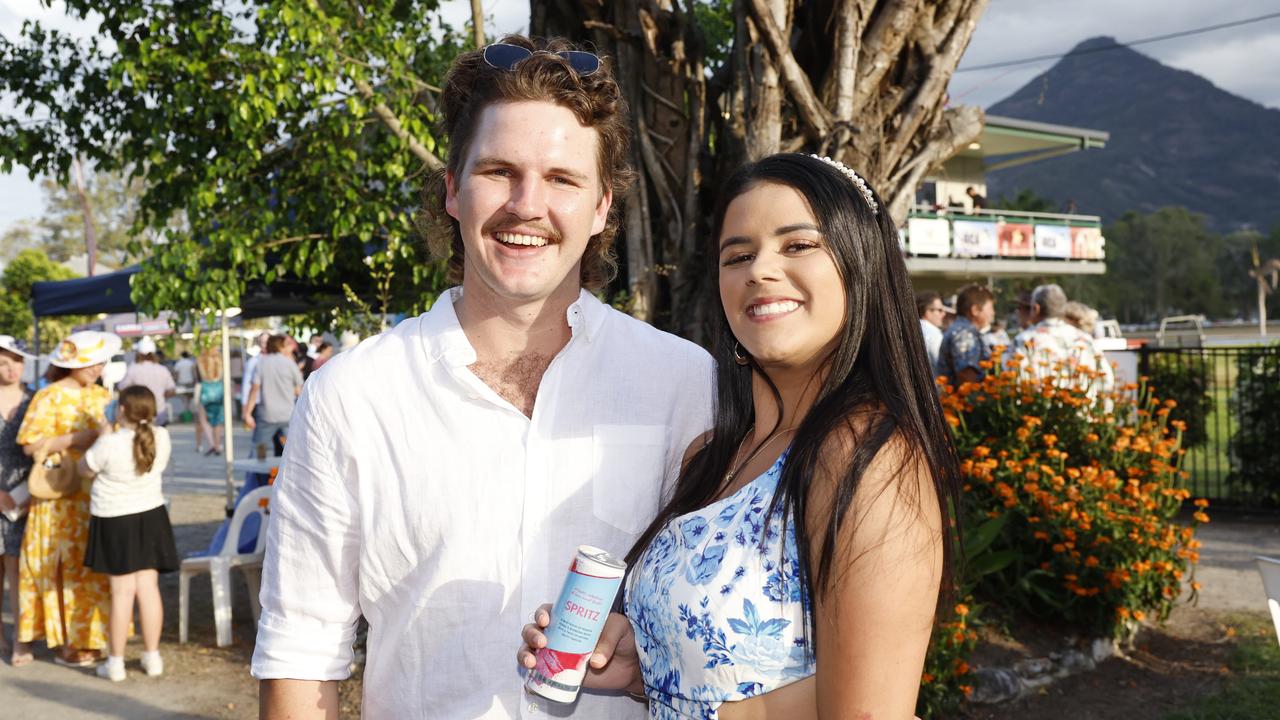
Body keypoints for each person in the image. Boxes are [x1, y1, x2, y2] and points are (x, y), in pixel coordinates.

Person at [252, 35, 713, 719]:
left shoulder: (684, 384)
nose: (527, 205)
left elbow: (722, 629)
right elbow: (301, 648)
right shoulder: (352, 396)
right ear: (453, 192)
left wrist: (649, 663)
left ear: (601, 209)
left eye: (562, 179)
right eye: (499, 171)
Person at [519, 153, 960, 718]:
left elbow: (869, 712)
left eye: (798, 245)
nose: (760, 270)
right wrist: (646, 667)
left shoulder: (864, 457)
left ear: (861, 264)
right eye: (739, 255)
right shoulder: (713, 454)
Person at [15, 330, 119, 667]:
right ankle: (66, 641)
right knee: (60, 567)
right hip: (57, 498)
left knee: (91, 567)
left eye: (99, 361)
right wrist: (79, 438)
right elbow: (30, 445)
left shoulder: (104, 395)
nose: (96, 367)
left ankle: (93, 637)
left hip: (97, 497)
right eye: (89, 362)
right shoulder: (48, 396)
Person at [79, 385, 177, 681]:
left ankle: (116, 662)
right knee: (148, 589)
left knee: (121, 593)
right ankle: (152, 656)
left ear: (121, 409)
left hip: (114, 519)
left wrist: (102, 433)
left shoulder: (108, 443)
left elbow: (83, 469)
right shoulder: (162, 436)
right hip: (151, 515)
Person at [0, 336, 34, 664]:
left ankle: (21, 638)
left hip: (27, 495)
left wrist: (35, 492)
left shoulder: (35, 399)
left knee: (18, 570)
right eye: (3, 362)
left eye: (17, 360)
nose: (12, 369)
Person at [1013, 285, 1113, 393]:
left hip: (1038, 407)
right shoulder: (1085, 339)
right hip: (1080, 406)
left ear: (1036, 309)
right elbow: (1107, 381)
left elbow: (1016, 381)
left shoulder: (1023, 340)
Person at [240, 334, 302, 457]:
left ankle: (260, 470)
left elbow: (254, 390)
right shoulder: (290, 364)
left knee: (260, 446)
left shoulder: (261, 364)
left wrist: (247, 413)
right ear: (280, 346)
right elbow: (299, 391)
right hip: (287, 415)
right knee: (289, 449)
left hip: (266, 415)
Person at [938, 283, 997, 383]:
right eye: (990, 308)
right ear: (975, 310)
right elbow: (966, 375)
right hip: (963, 397)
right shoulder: (964, 333)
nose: (993, 313)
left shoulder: (963, 330)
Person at [117, 337, 176, 426]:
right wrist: (161, 395)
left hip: (138, 412)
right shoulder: (162, 369)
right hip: (159, 412)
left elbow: (122, 388)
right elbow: (172, 390)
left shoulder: (133, 369)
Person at [196, 347, 225, 456]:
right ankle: (217, 444)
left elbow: (197, 376)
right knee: (218, 420)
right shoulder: (219, 359)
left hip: (206, 388)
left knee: (203, 419)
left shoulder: (201, 360)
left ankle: (211, 443)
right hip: (218, 387)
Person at [915, 290, 948, 373]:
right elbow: (942, 365)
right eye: (940, 310)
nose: (944, 314)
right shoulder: (933, 335)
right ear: (927, 312)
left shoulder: (914, 330)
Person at [238, 332, 269, 418]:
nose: (265, 345)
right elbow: (246, 385)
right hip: (259, 404)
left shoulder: (280, 361)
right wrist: (244, 408)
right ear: (259, 344)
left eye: (267, 342)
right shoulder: (252, 362)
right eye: (262, 342)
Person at [173, 351, 197, 419]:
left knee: (183, 399)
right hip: (190, 383)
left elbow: (176, 374)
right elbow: (194, 373)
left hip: (181, 383)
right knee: (189, 399)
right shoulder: (191, 363)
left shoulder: (178, 363)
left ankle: (185, 413)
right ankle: (188, 412)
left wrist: (174, 381)